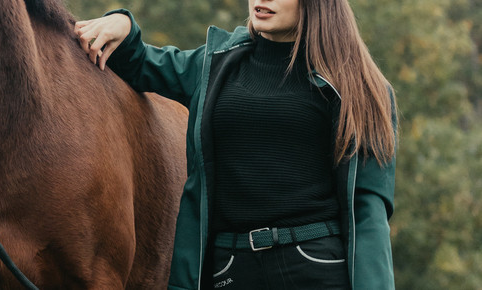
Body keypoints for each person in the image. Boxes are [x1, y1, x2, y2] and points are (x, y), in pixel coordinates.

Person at [74, 0, 397, 289]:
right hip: (229, 268)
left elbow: (367, 212)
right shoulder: (215, 65)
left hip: (314, 265)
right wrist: (125, 23)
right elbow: (141, 63)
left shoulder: (357, 87)